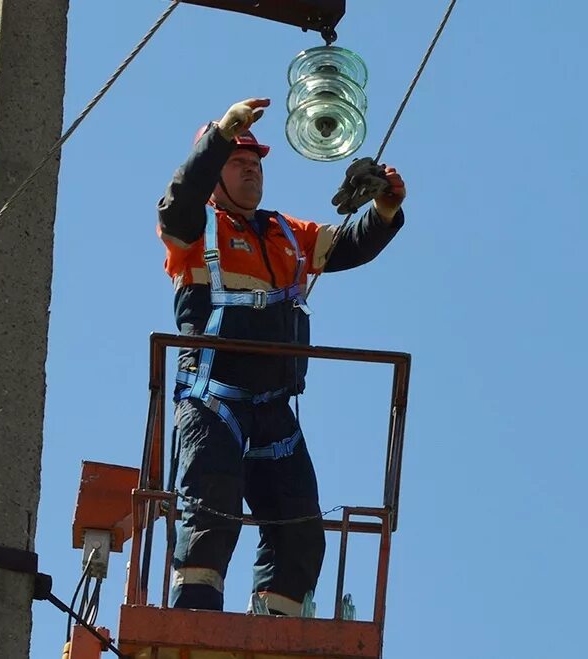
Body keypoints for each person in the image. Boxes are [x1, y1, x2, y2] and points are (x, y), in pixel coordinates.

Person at [156, 98, 407, 615]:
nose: (251, 170)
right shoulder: (196, 229)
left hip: (273, 408)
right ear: (215, 172)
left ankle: (275, 627)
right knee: (211, 510)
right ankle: (196, 621)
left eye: (256, 164)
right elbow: (178, 203)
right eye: (238, 162)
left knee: (300, 529)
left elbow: (349, 244)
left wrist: (384, 207)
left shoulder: (288, 234)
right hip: (213, 401)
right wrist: (222, 134)